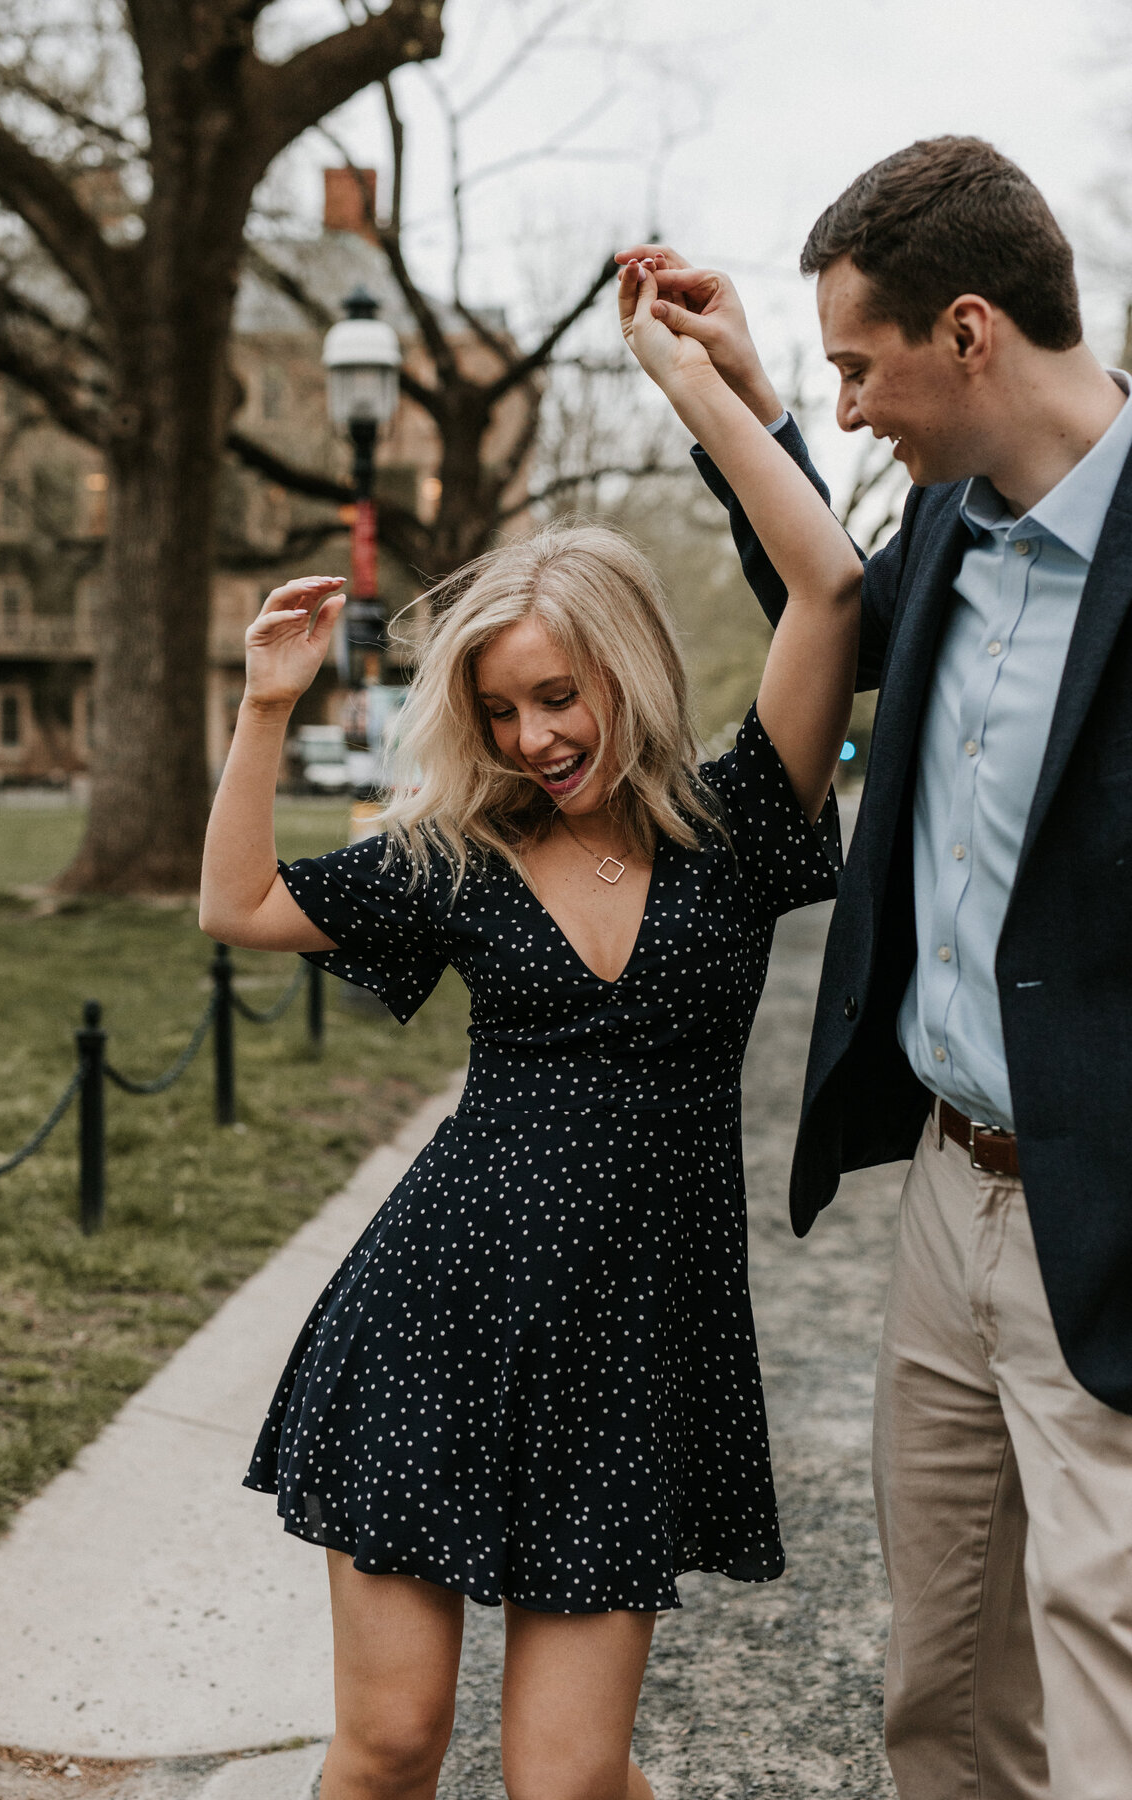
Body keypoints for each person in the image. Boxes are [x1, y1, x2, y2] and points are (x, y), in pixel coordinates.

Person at [198, 264, 861, 1800]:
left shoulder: (742, 822)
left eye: (558, 696)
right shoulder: (460, 862)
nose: (535, 739)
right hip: (434, 1319)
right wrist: (262, 710)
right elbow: (238, 906)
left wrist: (700, 389)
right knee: (387, 1747)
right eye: (502, 714)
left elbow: (830, 585)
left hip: (633, 1350)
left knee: (570, 1781)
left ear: (623, 669)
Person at [618, 134, 1132, 1800]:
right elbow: (823, 604)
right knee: (940, 1681)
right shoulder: (950, 531)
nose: (851, 411)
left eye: (859, 368)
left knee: (1106, 1671)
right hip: (944, 1195)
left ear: (969, 330)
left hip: (1110, 1211)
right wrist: (750, 402)